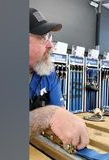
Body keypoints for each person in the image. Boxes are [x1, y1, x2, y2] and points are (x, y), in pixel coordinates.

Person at [29, 8, 89, 150]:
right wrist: (48, 116)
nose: (51, 45)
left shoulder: (47, 72)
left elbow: (60, 112)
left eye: (49, 37)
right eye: (43, 38)